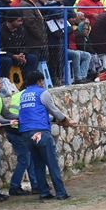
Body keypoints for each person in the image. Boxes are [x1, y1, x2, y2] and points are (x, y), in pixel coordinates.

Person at [19, 70, 77, 199]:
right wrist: (66, 121)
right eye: (42, 81)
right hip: (40, 132)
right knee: (52, 163)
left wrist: (58, 120)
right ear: (39, 81)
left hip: (26, 134)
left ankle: (44, 193)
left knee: (37, 164)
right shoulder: (42, 93)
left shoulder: (23, 95)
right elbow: (54, 111)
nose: (43, 84)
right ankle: (61, 193)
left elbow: (37, 114)